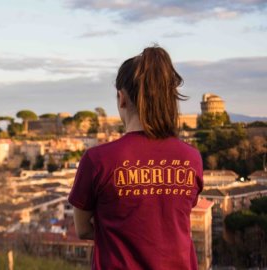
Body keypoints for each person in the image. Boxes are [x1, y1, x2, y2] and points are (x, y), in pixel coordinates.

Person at [68, 45, 204, 270]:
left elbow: (83, 229)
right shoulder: (192, 158)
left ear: (122, 98)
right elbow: (173, 221)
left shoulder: (97, 159)